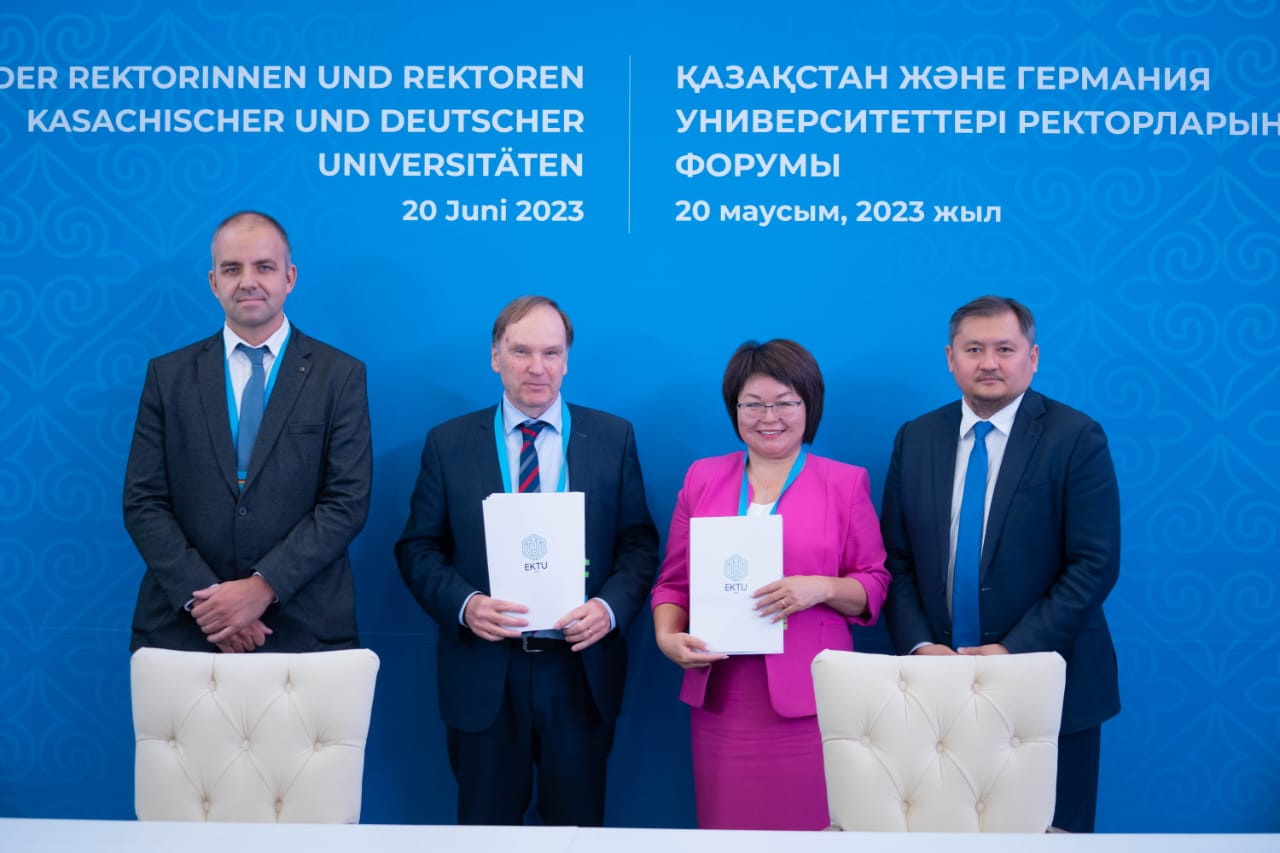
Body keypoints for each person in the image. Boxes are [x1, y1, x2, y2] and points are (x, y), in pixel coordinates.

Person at [395, 295, 659, 826]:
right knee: (486, 831)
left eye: (550, 353)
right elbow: (417, 547)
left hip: (578, 670)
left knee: (578, 830)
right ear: (496, 357)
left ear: (567, 361)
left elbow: (638, 544)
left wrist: (608, 610)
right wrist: (466, 605)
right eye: (521, 351)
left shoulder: (613, 438)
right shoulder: (448, 443)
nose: (537, 367)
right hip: (486, 670)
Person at [880, 295, 1121, 833]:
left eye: (1005, 349)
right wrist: (920, 646)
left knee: (1053, 837)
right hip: (936, 685)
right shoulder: (916, 437)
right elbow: (895, 559)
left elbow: (1094, 564)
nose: (989, 362)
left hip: (1050, 683)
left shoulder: (1075, 437)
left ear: (1032, 358)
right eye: (974, 349)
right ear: (950, 358)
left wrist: (1013, 651)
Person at [650, 339, 891, 831]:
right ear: (734, 409)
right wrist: (666, 636)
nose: (769, 417)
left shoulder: (844, 483)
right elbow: (673, 581)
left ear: (809, 405)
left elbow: (874, 584)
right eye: (753, 404)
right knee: (727, 828)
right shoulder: (701, 478)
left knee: (809, 829)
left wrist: (821, 588)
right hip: (722, 693)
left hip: (810, 697)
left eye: (784, 403)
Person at [124, 210, 372, 653]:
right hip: (187, 625)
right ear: (213, 281)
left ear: (289, 277)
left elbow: (346, 502)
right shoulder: (168, 376)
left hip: (302, 624)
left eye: (264, 267)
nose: (248, 282)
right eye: (232, 269)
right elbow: (143, 501)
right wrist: (210, 603)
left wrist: (262, 588)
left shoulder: (339, 375)